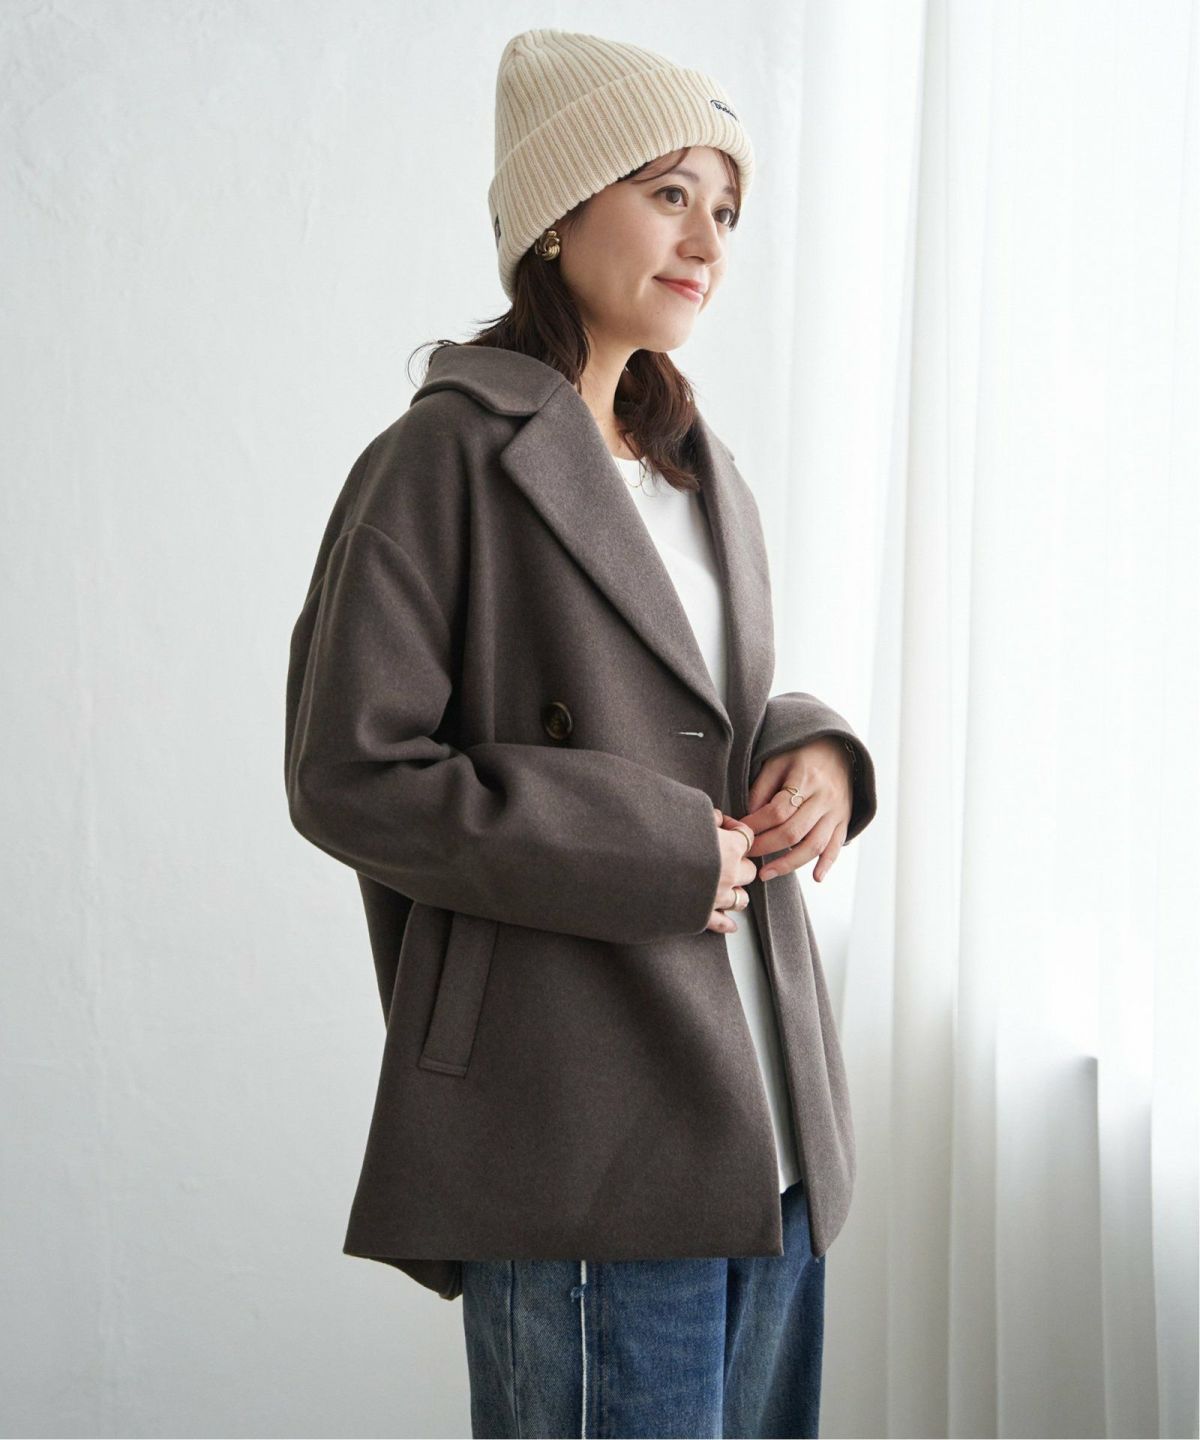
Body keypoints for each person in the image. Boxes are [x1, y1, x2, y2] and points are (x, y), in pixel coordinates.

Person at [284, 27, 877, 1440]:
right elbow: (349, 773)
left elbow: (704, 713)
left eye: (724, 209)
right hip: (584, 1135)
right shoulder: (440, 459)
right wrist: (647, 851)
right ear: (557, 211)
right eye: (669, 194)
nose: (708, 242)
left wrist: (818, 753)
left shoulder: (694, 466)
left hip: (770, 1134)